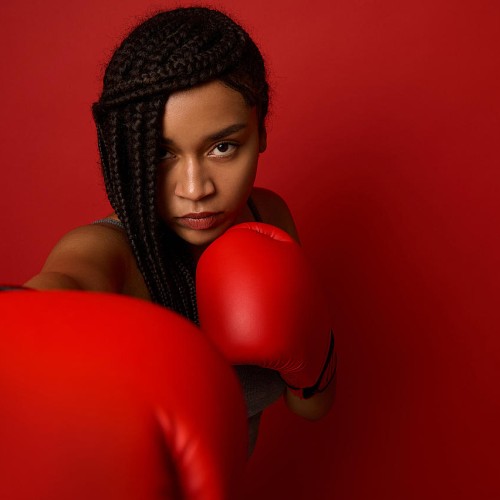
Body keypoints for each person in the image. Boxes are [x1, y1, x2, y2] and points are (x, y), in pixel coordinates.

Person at [24, 6, 336, 455]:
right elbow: (61, 286)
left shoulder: (267, 216)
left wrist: (311, 360)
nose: (195, 189)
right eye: (161, 154)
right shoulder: (109, 250)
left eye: (222, 147)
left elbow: (312, 407)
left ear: (260, 131)